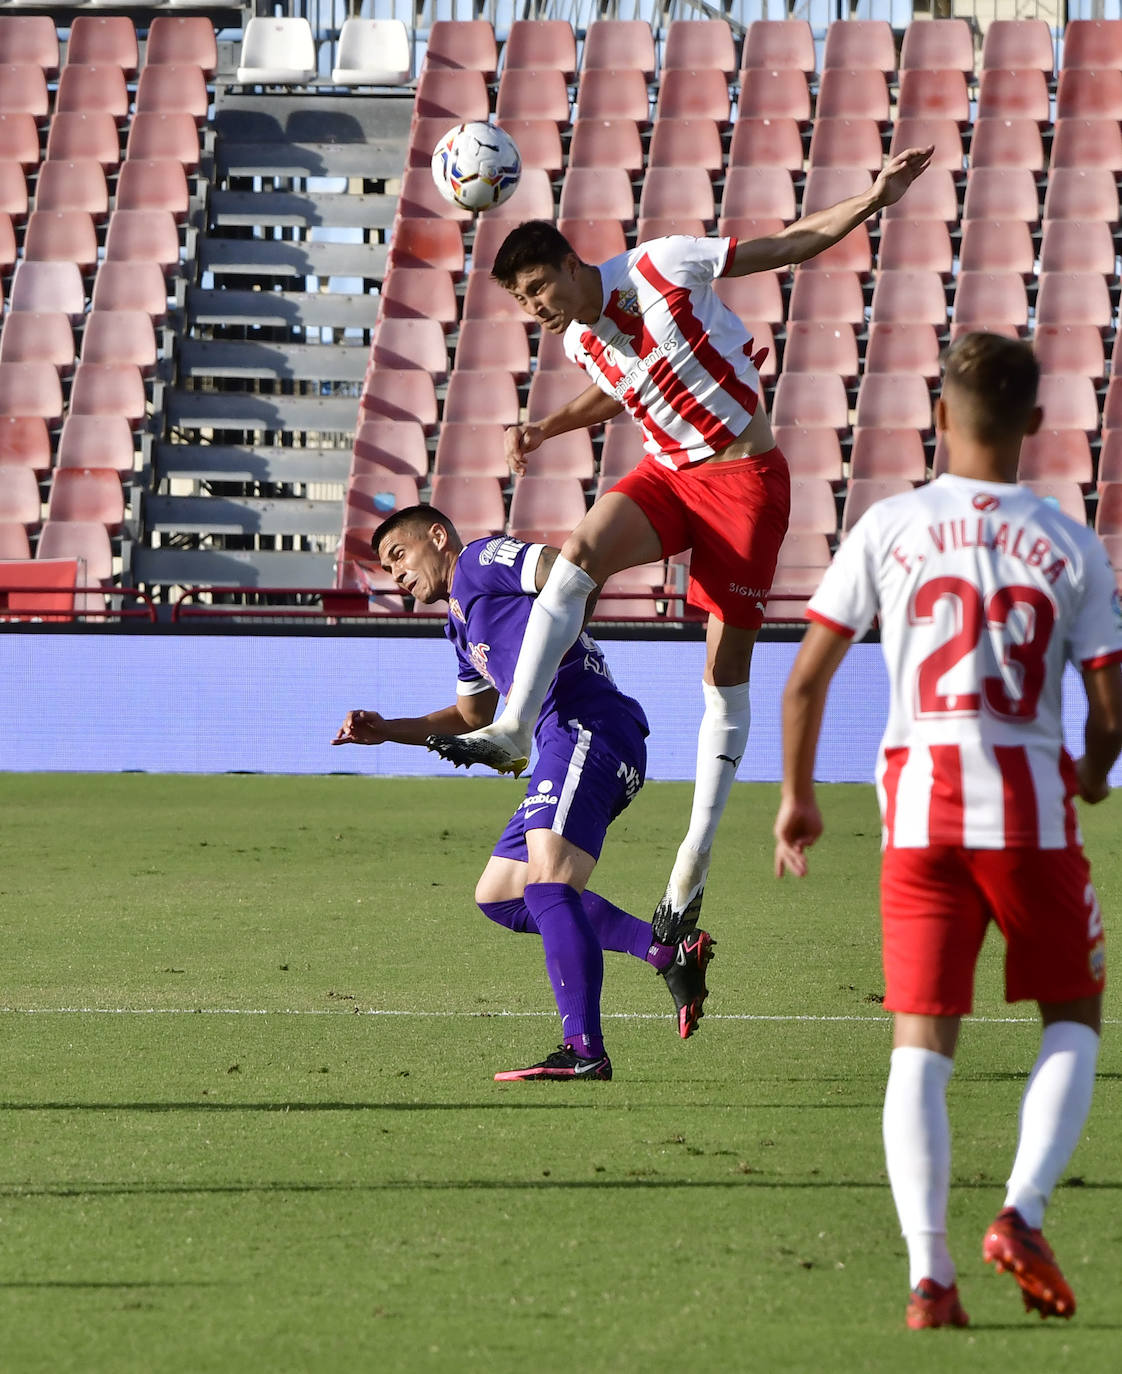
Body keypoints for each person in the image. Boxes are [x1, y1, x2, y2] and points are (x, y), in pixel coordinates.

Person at [428, 145, 935, 944]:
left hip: (743, 481)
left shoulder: (663, 264)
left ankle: (692, 862)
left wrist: (875, 196)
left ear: (571, 263)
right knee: (578, 554)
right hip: (669, 475)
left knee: (722, 674)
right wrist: (549, 423)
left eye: (539, 289)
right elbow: (618, 390)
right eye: (523, 301)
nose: (536, 309)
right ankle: (514, 728)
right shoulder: (577, 341)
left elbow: (789, 244)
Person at [773, 332, 1122, 1329]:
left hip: (917, 808)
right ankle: (1021, 1211)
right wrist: (1095, 775)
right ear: (1040, 426)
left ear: (938, 418)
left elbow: (805, 680)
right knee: (1073, 1015)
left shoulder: (889, 525)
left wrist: (798, 798)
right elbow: (1111, 710)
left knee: (920, 1045)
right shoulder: (1068, 540)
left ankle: (930, 1279)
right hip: (1028, 811)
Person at [333, 504, 716, 1080]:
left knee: (550, 884)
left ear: (438, 537)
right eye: (387, 567)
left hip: (586, 727)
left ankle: (585, 1049)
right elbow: (471, 713)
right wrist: (388, 731)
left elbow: (565, 571)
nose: (396, 574)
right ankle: (664, 950)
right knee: (503, 893)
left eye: (399, 555)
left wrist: (584, 593)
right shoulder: (460, 625)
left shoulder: (481, 561)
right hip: (563, 741)